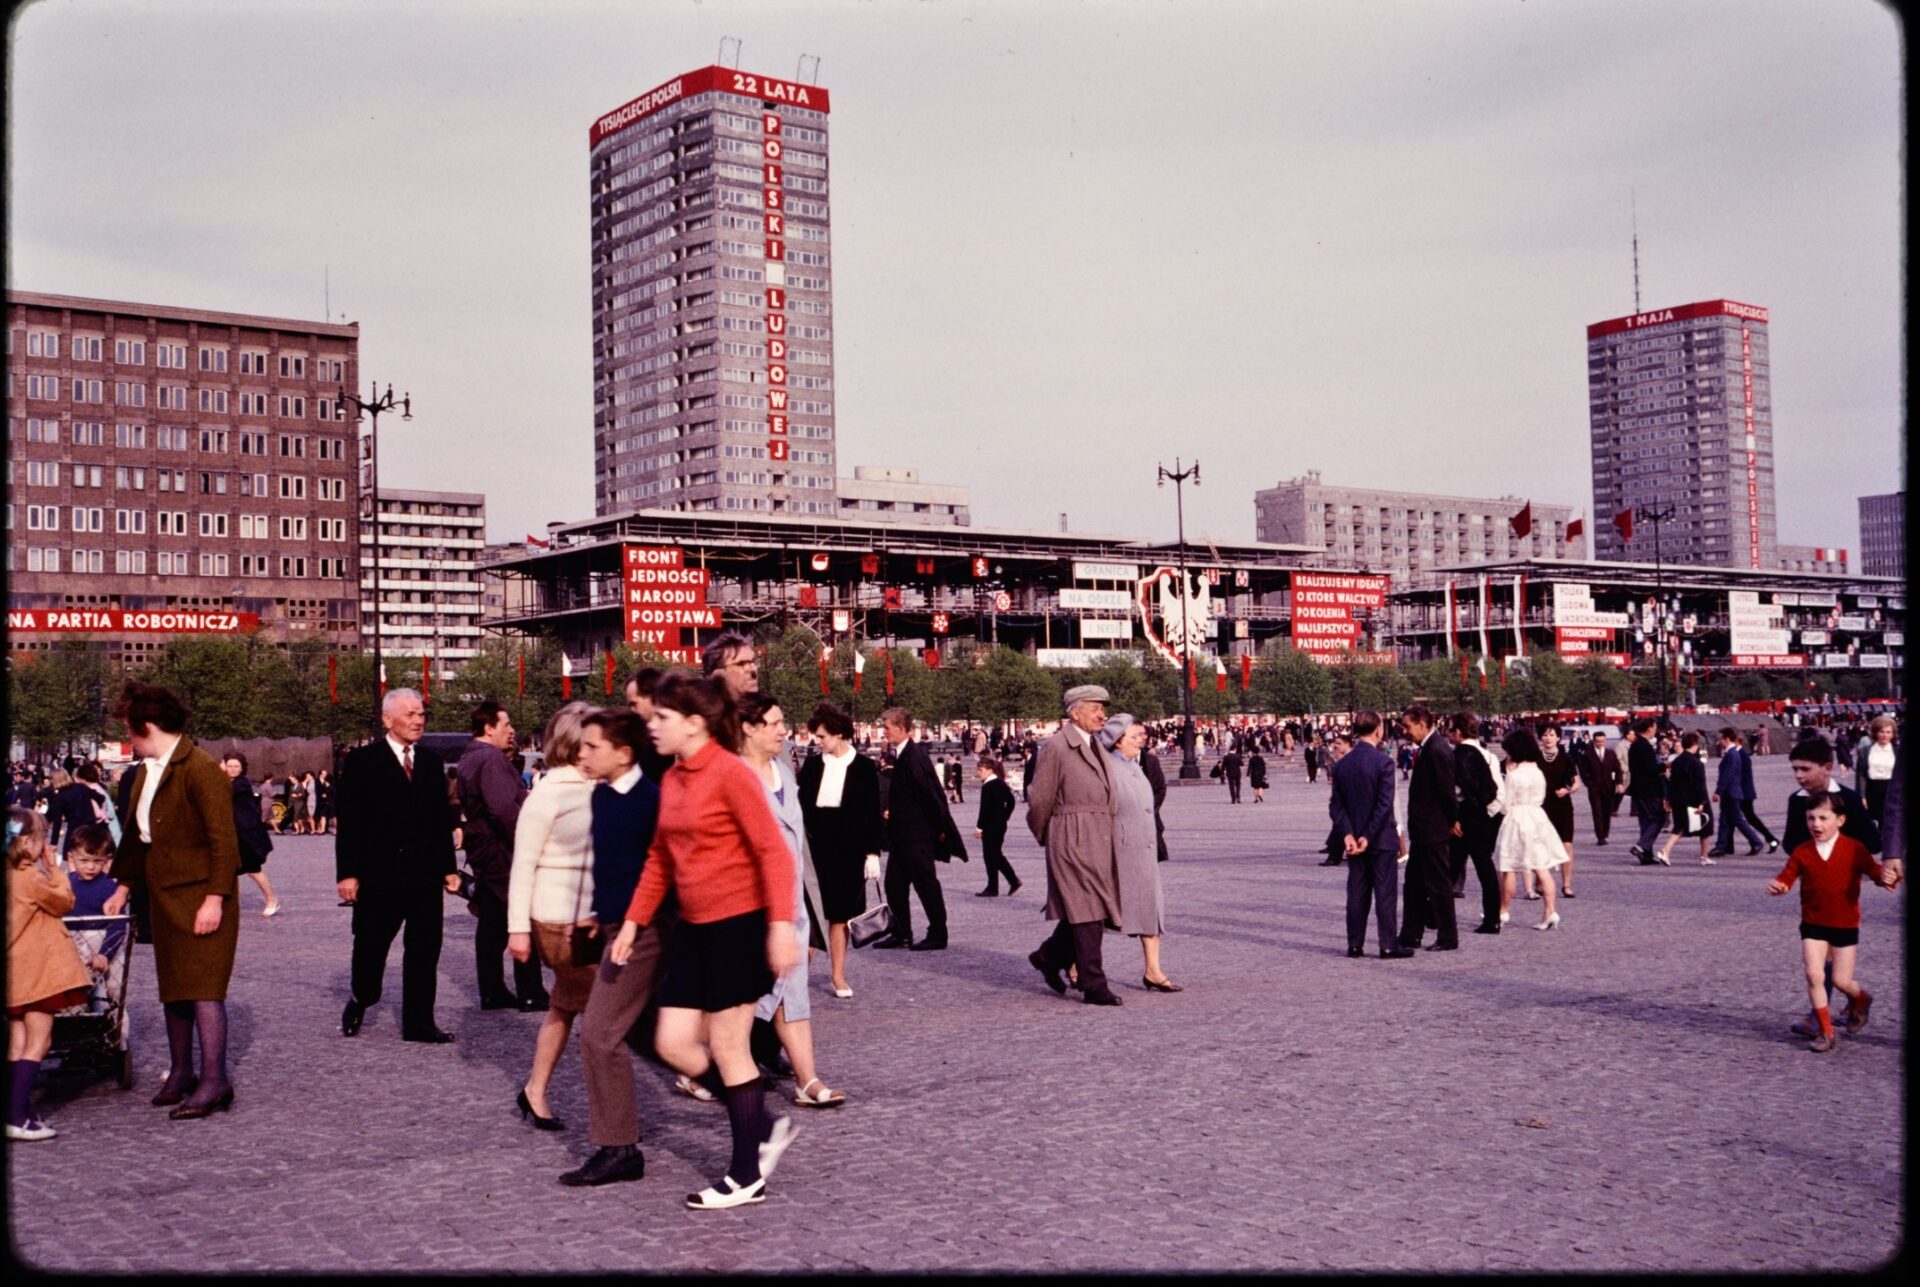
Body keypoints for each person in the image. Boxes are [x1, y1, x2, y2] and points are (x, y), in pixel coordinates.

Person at [606, 671, 801, 1211]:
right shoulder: (673, 778)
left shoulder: (730, 774)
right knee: (671, 1043)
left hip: (740, 926)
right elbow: (661, 859)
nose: (653, 725)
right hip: (694, 929)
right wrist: (632, 922)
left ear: (694, 724)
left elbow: (773, 854)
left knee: (729, 1046)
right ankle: (760, 1124)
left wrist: (782, 926)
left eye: (663, 717)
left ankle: (746, 1175)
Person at [110, 681, 242, 1118]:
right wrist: (124, 886)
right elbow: (135, 838)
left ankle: (214, 1080)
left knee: (203, 989)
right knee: (175, 990)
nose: (129, 740)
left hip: (200, 895)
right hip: (164, 896)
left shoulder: (200, 768)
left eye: (130, 731)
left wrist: (215, 898)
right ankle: (182, 1072)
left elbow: (225, 843)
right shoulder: (146, 771)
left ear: (146, 726)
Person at [560, 708, 666, 1188]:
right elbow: (614, 868)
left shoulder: (651, 802)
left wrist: (631, 924)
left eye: (592, 746)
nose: (582, 752)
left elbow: (660, 874)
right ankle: (743, 1104)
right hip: (613, 927)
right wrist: (595, 914)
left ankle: (619, 1148)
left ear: (624, 754)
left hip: (640, 935)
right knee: (653, 1039)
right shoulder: (603, 797)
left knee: (598, 1033)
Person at [336, 688, 463, 1044]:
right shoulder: (362, 762)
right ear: (387, 719)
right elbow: (350, 822)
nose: (418, 720)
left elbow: (439, 819)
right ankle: (362, 996)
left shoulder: (430, 762)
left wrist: (448, 868)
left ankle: (419, 1022)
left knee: (424, 948)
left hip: (423, 875)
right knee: (371, 946)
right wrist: (347, 873)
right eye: (409, 714)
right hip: (379, 875)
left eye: (421, 714)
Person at [739, 693, 845, 1109]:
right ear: (749, 727)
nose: (785, 730)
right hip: (749, 907)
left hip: (790, 906)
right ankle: (697, 1067)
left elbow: (799, 849)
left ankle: (808, 1080)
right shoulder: (733, 776)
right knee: (738, 1000)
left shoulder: (784, 771)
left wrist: (810, 911)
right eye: (776, 723)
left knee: (793, 995)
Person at [506, 702, 599, 1131]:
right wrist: (518, 931)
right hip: (557, 920)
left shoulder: (596, 787)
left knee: (564, 1006)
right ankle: (611, 1107)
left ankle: (535, 1089)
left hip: (589, 918)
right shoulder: (548, 793)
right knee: (607, 1013)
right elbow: (523, 863)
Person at [1767, 791, 1897, 1052]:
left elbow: (1874, 872)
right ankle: (1826, 1033)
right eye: (1811, 818)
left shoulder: (1854, 849)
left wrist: (1886, 878)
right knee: (1814, 974)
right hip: (1813, 923)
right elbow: (1787, 877)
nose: (1816, 824)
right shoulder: (1803, 852)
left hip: (1845, 924)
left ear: (1840, 820)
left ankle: (1861, 998)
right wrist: (1780, 886)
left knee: (1841, 981)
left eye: (1823, 818)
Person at [1026, 686, 1125, 1006]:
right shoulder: (1057, 746)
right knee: (1088, 911)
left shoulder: (1094, 744)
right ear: (1074, 712)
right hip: (1072, 836)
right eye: (1095, 708)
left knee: (1085, 909)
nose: (1102, 714)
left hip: (1096, 836)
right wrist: (1049, 835)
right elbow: (1039, 797)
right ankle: (1093, 983)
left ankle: (1047, 956)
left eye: (1102, 709)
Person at [8, 809, 92, 1140]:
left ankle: (18, 1110)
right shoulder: (30, 877)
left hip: (15, 973)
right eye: (42, 838)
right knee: (39, 1041)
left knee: (16, 1043)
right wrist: (55, 868)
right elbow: (65, 901)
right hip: (38, 971)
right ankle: (16, 1116)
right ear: (28, 842)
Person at [459, 701, 548, 1012]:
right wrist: (527, 845)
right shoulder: (491, 759)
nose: (512, 731)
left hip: (485, 850)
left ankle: (493, 990)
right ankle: (530, 991)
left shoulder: (471, 757)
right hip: (502, 851)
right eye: (506, 724)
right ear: (489, 728)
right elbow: (504, 809)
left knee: (493, 923)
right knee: (520, 914)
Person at [796, 702, 884, 998]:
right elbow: (800, 809)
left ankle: (837, 975)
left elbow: (872, 811)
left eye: (821, 736)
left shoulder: (863, 767)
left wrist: (873, 853)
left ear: (837, 734)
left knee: (840, 915)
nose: (816, 742)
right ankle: (794, 979)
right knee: (807, 912)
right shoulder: (812, 765)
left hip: (849, 849)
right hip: (815, 846)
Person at [871, 707, 966, 951]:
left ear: (901, 729)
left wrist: (940, 830)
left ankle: (938, 933)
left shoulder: (914, 756)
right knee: (894, 885)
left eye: (887, 727)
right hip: (904, 835)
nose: (884, 732)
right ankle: (902, 933)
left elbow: (930, 796)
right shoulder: (906, 754)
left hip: (917, 836)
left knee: (926, 884)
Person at [1100, 714, 1179, 992]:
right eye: (1135, 737)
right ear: (1118, 741)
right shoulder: (1107, 768)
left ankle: (1153, 970)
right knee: (1103, 913)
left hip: (1143, 849)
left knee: (1151, 910)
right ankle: (1075, 964)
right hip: (1120, 851)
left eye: (1142, 736)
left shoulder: (1138, 765)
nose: (1141, 741)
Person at [1329, 712, 1405, 959]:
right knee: (1385, 892)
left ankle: (1355, 944)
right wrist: (1368, 836)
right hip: (1380, 838)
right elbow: (1384, 805)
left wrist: (1348, 834)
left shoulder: (1342, 765)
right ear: (1378, 730)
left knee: (1357, 893)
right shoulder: (1383, 763)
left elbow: (1336, 805)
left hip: (1354, 841)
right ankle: (1387, 944)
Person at [1396, 705, 1459, 953]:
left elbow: (1447, 791)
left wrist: (1453, 821)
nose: (1405, 731)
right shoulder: (1430, 748)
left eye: (1408, 726)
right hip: (1424, 830)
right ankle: (1411, 934)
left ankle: (1448, 936)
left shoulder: (1436, 750)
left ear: (1422, 724)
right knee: (1413, 884)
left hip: (1433, 830)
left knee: (1438, 885)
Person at [1493, 728, 1564, 930]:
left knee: (1509, 867)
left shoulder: (1514, 775)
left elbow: (1505, 804)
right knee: (1541, 867)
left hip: (1517, 817)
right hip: (1537, 816)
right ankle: (1550, 910)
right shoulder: (1537, 771)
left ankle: (1502, 910)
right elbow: (1541, 797)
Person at [1448, 713, 1505, 934]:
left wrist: (1458, 818)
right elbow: (1499, 795)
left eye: (1451, 729)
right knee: (1486, 869)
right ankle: (1493, 918)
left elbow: (1452, 792)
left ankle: (1436, 914)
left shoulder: (1456, 755)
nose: (1448, 733)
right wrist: (1485, 815)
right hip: (1482, 817)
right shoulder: (1489, 756)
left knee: (1450, 867)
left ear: (1459, 732)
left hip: (1462, 818)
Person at [63, 824, 129, 1010]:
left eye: (97, 861)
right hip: (74, 947)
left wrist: (105, 954)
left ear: (107, 860)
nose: (90, 866)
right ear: (71, 857)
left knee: (115, 989)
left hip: (106, 945)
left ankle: (117, 1033)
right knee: (76, 993)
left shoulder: (110, 888)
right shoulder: (65, 885)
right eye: (84, 860)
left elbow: (117, 926)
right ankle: (79, 1030)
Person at [219, 754, 281, 917]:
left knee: (253, 870)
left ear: (242, 768)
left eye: (236, 766)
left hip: (248, 835)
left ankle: (272, 899)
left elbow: (224, 791)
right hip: (233, 833)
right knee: (225, 869)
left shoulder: (242, 783)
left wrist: (217, 771)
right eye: (229, 765)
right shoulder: (228, 781)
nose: (232, 769)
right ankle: (223, 903)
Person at [1655, 732, 1714, 866]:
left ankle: (1701, 855)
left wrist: (1668, 799)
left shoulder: (1677, 761)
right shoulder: (1696, 763)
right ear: (1695, 745)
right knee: (1705, 824)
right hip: (1693, 799)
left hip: (1678, 798)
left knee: (1680, 826)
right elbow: (1700, 784)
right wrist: (1702, 802)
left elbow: (1672, 782)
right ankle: (1702, 855)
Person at [1709, 727, 1769, 857]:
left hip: (1731, 792)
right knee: (1724, 820)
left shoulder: (1731, 754)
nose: (1720, 742)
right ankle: (1721, 846)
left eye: (1721, 739)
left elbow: (1727, 775)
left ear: (1726, 739)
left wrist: (1718, 791)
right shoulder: (1732, 753)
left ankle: (1756, 841)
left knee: (1737, 820)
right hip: (1731, 792)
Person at [1538, 725, 1579, 897]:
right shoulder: (1535, 758)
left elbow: (1577, 782)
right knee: (1541, 844)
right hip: (1541, 805)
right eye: (1545, 735)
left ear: (1558, 738)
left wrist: (1568, 790)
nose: (1548, 738)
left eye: (1551, 735)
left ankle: (1566, 884)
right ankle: (1540, 881)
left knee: (1566, 844)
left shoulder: (1566, 758)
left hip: (1562, 805)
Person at [973, 757, 1022, 897]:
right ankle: (1012, 881)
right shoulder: (1000, 783)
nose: (979, 773)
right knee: (995, 855)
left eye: (981, 770)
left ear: (990, 770)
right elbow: (1011, 801)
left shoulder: (988, 786)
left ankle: (994, 887)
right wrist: (1005, 816)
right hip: (1000, 825)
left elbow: (984, 810)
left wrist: (979, 828)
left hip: (990, 827)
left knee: (990, 856)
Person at [1624, 718, 1666, 864]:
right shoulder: (1645, 746)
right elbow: (1650, 769)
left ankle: (1646, 855)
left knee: (1645, 821)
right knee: (1659, 817)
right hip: (1649, 789)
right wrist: (1665, 766)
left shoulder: (1635, 745)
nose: (1656, 730)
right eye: (1654, 727)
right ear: (1649, 729)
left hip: (1637, 788)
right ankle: (1641, 846)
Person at [1858, 716, 1897, 824]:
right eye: (1881, 732)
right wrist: (1862, 796)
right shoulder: (1865, 751)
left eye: (1888, 732)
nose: (1885, 735)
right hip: (1872, 790)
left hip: (1891, 791)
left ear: (1893, 734)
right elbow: (1861, 775)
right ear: (1875, 733)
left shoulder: (1897, 752)